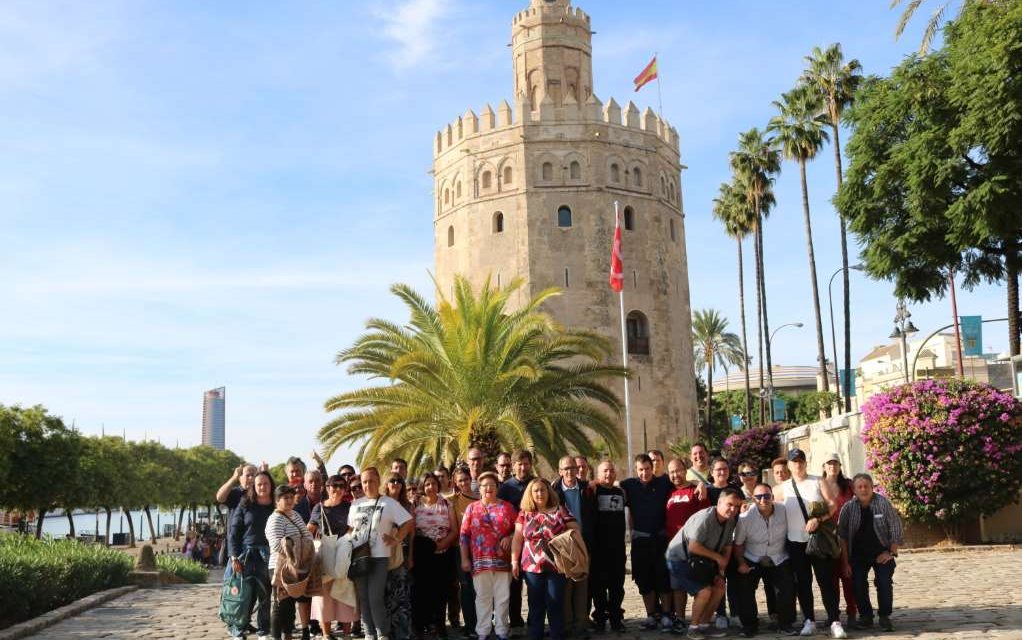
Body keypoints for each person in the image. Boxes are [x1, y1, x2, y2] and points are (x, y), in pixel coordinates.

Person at [781, 449, 844, 639]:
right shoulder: (783, 487)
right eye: (794, 461)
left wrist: (819, 519)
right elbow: (767, 504)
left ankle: (834, 620)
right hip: (795, 541)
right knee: (803, 582)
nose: (798, 464)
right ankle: (809, 620)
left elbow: (832, 504)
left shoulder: (817, 480)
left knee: (826, 581)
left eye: (801, 460)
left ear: (805, 462)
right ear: (789, 465)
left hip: (817, 539)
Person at [666, 488, 743, 640]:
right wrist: (718, 558)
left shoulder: (730, 520)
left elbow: (728, 547)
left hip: (702, 561)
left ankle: (704, 626)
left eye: (736, 506)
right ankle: (693, 629)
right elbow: (693, 546)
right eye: (729, 505)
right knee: (705, 591)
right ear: (719, 503)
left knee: (720, 587)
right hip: (679, 559)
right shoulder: (705, 518)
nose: (733, 509)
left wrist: (721, 571)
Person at [348, 467, 414, 640]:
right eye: (364, 482)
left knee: (375, 597)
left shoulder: (389, 503)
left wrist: (396, 539)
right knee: (363, 598)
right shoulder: (355, 504)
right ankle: (369, 634)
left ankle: (382, 634)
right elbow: (350, 529)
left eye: (371, 481)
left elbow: (408, 522)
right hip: (358, 557)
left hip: (379, 557)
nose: (367, 485)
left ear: (378, 482)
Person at [511, 478, 580, 640]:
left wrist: (559, 538)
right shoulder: (524, 514)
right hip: (532, 567)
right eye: (535, 491)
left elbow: (575, 530)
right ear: (530, 494)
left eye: (543, 490)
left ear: (549, 492)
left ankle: (557, 635)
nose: (539, 493)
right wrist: (514, 561)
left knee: (555, 603)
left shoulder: (560, 510)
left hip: (557, 565)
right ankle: (535, 635)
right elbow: (517, 539)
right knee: (535, 605)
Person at [838, 474, 903, 633]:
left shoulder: (883, 503)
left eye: (866, 486)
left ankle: (884, 616)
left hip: (882, 552)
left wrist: (890, 552)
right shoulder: (848, 508)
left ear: (872, 487)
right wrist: (845, 563)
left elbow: (896, 528)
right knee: (858, 583)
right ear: (854, 490)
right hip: (858, 554)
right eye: (859, 487)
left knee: (884, 581)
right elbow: (842, 537)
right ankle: (866, 616)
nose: (863, 490)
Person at [733, 483, 796, 637]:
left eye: (767, 496)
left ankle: (785, 623)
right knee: (745, 587)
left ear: (772, 497)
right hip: (752, 556)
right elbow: (738, 544)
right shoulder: (745, 518)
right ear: (753, 498)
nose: (763, 500)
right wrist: (741, 563)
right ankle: (750, 625)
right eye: (759, 497)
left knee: (787, 586)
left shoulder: (784, 510)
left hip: (778, 556)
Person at [620, 454, 673, 632]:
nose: (644, 473)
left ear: (653, 468)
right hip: (640, 542)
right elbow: (611, 485)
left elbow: (684, 483)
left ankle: (666, 615)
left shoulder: (664, 482)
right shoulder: (629, 485)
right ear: (636, 470)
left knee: (663, 579)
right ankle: (651, 615)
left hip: (661, 540)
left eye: (647, 469)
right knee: (644, 581)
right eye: (641, 470)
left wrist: (701, 486)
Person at [460, 472, 517, 640]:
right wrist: (464, 558)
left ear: (497, 488)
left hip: (502, 559)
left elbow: (519, 529)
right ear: (479, 488)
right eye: (484, 485)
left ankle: (501, 630)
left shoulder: (507, 507)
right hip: (480, 560)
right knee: (482, 598)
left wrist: (510, 537)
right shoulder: (472, 508)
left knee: (502, 597)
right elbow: (464, 535)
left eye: (492, 485)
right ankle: (483, 631)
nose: (488, 488)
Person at [227, 470, 275, 640]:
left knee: (265, 595)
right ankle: (238, 629)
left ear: (271, 485)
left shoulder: (276, 506)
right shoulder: (245, 503)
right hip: (245, 555)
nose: (262, 487)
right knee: (243, 595)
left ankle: (263, 631)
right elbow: (234, 531)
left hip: (268, 555)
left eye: (266, 483)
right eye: (259, 484)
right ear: (254, 487)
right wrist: (234, 556)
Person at [552, 455, 595, 639]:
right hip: (564, 547)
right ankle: (567, 626)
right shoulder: (553, 491)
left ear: (577, 470)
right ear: (560, 471)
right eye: (566, 469)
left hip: (584, 545)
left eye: (572, 468)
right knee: (566, 588)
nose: (569, 472)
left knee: (581, 588)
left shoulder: (588, 489)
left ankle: (581, 625)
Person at [666, 457, 711, 631]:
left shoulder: (696, 490)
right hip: (674, 548)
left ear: (685, 471)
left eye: (678, 470)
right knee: (678, 586)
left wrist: (700, 484)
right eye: (671, 472)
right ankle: (680, 618)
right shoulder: (668, 492)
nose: (675, 475)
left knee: (700, 585)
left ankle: (700, 620)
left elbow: (706, 518)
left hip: (694, 547)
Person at [309, 475, 356, 639]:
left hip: (344, 555)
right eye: (333, 485)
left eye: (341, 486)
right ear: (327, 487)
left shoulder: (349, 506)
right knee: (323, 595)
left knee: (345, 593)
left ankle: (346, 633)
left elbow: (354, 527)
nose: (337, 489)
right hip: (325, 553)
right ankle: (326, 634)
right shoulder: (319, 507)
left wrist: (344, 542)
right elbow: (310, 528)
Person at [413, 472, 459, 638]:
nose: (430, 487)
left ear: (438, 486)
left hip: (443, 553)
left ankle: (440, 626)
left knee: (441, 592)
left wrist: (442, 544)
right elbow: (412, 531)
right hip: (422, 555)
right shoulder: (416, 504)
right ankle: (422, 626)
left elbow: (454, 530)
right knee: (423, 591)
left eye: (433, 483)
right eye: (427, 484)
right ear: (422, 487)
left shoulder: (446, 503)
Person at [266, 484, 314, 640]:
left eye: (291, 497)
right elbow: (276, 545)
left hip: (297, 565)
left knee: (291, 605)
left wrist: (299, 549)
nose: (289, 500)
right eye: (285, 497)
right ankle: (276, 637)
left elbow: (307, 535)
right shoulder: (275, 519)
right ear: (277, 501)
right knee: (280, 605)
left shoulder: (295, 515)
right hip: (280, 567)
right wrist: (296, 548)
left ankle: (288, 635)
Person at [498, 449, 536, 629]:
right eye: (519, 464)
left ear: (531, 465)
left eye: (526, 464)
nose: (523, 467)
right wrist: (509, 536)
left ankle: (534, 621)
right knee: (514, 584)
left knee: (535, 584)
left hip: (534, 542)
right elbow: (500, 515)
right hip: (513, 541)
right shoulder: (505, 488)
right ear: (513, 466)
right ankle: (515, 621)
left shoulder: (537, 484)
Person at [590, 460, 627, 633]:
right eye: (605, 471)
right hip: (599, 549)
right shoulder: (593, 491)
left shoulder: (621, 492)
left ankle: (615, 618)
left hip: (618, 549)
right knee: (598, 587)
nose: (608, 474)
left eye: (611, 471)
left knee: (617, 587)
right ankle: (599, 619)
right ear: (598, 474)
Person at [820, 453, 857, 627]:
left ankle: (852, 612)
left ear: (840, 466)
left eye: (835, 463)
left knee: (848, 575)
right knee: (831, 578)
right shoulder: (819, 485)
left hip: (848, 535)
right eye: (829, 463)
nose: (832, 466)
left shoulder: (848, 485)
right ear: (824, 466)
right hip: (827, 536)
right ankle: (833, 614)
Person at [383, 473, 415, 640]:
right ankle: (386, 633)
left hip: (402, 555)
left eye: (399, 481)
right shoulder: (381, 503)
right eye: (392, 480)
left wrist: (410, 557)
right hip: (383, 554)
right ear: (386, 484)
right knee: (385, 594)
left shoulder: (408, 506)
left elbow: (412, 534)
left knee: (401, 596)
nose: (395, 483)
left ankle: (403, 634)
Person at [451, 467, 480, 638]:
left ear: (471, 479)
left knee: (481, 588)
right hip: (461, 549)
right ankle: (470, 625)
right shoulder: (453, 501)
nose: (464, 483)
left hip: (481, 549)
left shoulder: (481, 498)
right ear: (456, 483)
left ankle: (482, 624)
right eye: (460, 480)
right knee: (467, 587)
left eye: (466, 479)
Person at [217, 463, 258, 566]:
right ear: (240, 478)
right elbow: (220, 497)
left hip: (255, 545)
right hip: (236, 545)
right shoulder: (236, 493)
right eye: (248, 475)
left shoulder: (259, 494)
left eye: (254, 475)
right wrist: (233, 478)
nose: (251, 478)